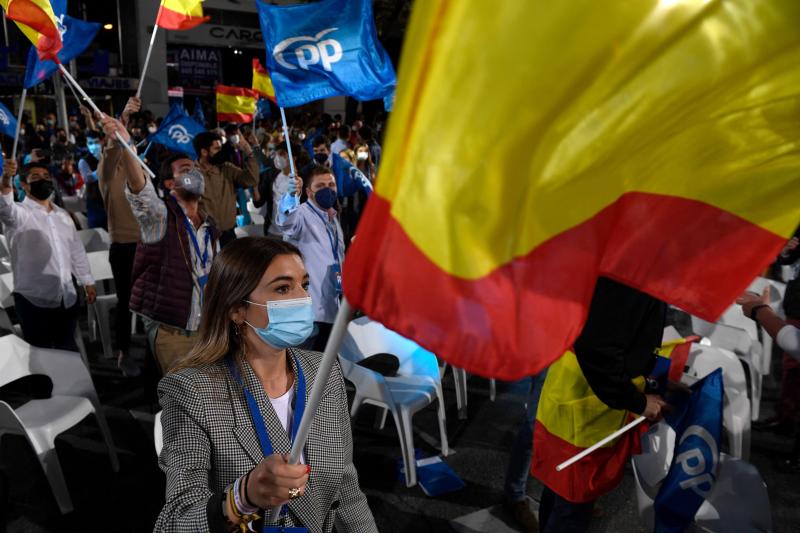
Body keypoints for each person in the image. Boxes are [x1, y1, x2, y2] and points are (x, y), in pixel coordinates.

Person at [155, 237, 377, 532]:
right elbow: (175, 521)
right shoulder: (190, 391)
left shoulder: (324, 372)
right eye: (283, 288)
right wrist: (243, 496)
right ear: (237, 310)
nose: (303, 298)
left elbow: (347, 490)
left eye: (305, 285)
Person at [537, 276, 668, 533]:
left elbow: (624, 334)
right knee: (571, 504)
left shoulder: (634, 261)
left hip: (583, 395)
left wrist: (652, 376)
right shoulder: (630, 271)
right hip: (587, 401)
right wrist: (638, 401)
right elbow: (599, 348)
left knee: (562, 495)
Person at [100, 116, 220, 375]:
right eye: (185, 169)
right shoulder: (160, 216)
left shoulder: (209, 225)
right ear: (169, 183)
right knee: (185, 399)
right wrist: (127, 144)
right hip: (173, 330)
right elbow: (139, 188)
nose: (194, 172)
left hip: (205, 325)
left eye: (195, 168)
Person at [0, 158, 96, 350]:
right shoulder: (19, 214)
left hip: (66, 296)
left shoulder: (62, 214)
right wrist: (5, 181)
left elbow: (75, 250)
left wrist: (87, 281)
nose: (42, 180)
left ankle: (71, 380)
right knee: (42, 356)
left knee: (67, 348)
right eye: (35, 177)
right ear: (25, 185)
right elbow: (6, 208)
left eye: (46, 176)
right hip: (33, 300)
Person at [98, 99, 147, 377]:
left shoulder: (141, 177)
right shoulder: (107, 175)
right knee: (126, 302)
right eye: (128, 149)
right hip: (124, 248)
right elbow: (114, 150)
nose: (132, 153)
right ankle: (123, 353)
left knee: (151, 302)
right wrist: (123, 118)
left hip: (148, 246)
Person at [275, 166, 344, 351]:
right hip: (309, 313)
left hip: (331, 307)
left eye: (331, 184)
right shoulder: (303, 214)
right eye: (320, 185)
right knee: (308, 367)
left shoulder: (332, 218)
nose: (327, 189)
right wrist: (291, 196)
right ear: (308, 191)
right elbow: (287, 222)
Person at [193, 131, 259, 248]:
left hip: (228, 234)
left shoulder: (226, 168)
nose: (221, 152)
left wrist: (248, 152)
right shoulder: (191, 174)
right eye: (216, 149)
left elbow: (251, 179)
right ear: (204, 152)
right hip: (204, 236)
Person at [503, 373, 547, 532]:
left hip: (575, 356)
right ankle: (515, 496)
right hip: (551, 355)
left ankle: (569, 496)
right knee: (533, 428)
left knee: (565, 427)